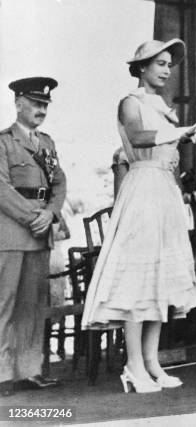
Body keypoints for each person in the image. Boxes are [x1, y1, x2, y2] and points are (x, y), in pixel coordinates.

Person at [81, 39, 196, 393]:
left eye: (169, 64)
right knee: (139, 279)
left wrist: (188, 139)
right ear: (141, 68)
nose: (167, 69)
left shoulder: (165, 109)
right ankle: (133, 365)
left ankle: (152, 363)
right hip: (141, 191)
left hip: (165, 193)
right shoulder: (130, 102)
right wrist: (181, 132)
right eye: (159, 63)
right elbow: (138, 137)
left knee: (161, 279)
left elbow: (170, 157)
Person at [0, 77, 66, 396]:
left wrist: (51, 213)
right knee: (5, 304)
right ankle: (1, 373)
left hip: (40, 233)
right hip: (12, 234)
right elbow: (1, 189)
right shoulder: (3, 141)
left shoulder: (48, 143)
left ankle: (29, 370)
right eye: (36, 103)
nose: (41, 110)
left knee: (32, 306)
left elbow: (59, 182)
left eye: (44, 105)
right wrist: (34, 218)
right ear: (18, 104)